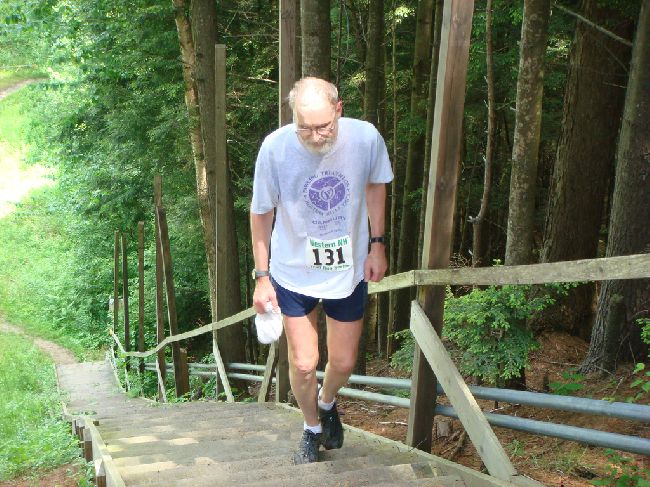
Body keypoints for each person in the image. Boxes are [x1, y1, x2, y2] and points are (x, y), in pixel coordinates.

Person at [250, 77, 393, 464]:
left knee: (343, 362)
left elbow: (376, 185)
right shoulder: (275, 149)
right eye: (305, 128)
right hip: (291, 270)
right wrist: (261, 277)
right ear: (293, 118)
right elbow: (261, 212)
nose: (315, 136)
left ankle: (327, 402)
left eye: (323, 127)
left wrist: (377, 244)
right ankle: (312, 429)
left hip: (347, 268)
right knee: (303, 362)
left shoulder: (365, 138)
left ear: (339, 110)